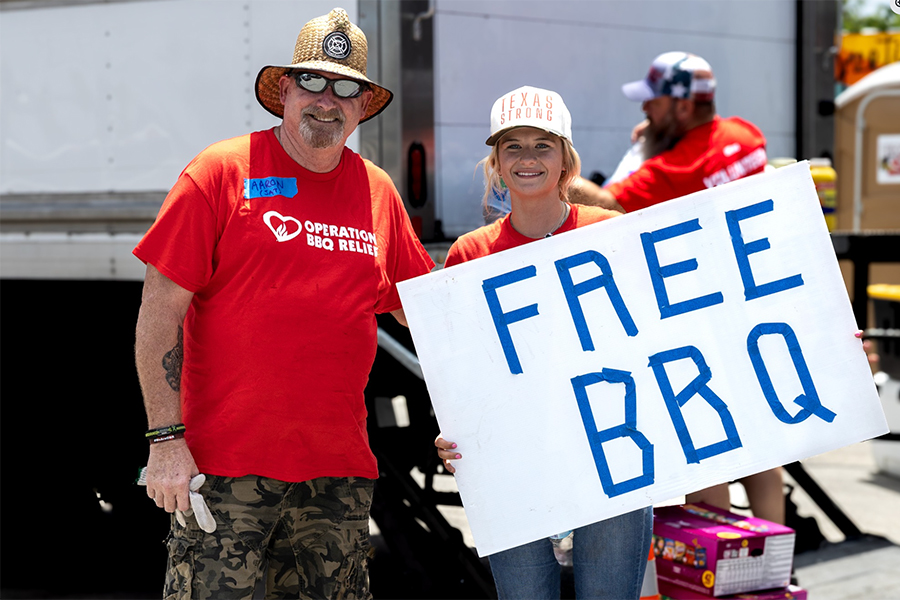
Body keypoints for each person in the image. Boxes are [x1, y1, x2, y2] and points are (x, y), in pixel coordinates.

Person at [133, 8, 434, 599]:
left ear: (362, 104)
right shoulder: (220, 172)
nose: (328, 100)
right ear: (286, 91)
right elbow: (158, 313)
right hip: (223, 474)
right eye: (314, 82)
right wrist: (165, 440)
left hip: (337, 479)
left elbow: (425, 312)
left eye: (345, 87)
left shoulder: (377, 190)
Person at [434, 85, 652, 599]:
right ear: (496, 162)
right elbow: (459, 367)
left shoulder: (611, 232)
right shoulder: (470, 254)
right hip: (512, 468)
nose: (527, 159)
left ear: (565, 160)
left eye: (542, 145)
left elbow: (685, 324)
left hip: (611, 458)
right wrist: (452, 427)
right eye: (513, 146)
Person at [569, 51, 768, 212]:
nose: (644, 108)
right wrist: (662, 127)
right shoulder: (748, 134)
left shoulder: (676, 172)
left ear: (683, 108)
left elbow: (606, 204)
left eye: (653, 101)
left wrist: (555, 174)